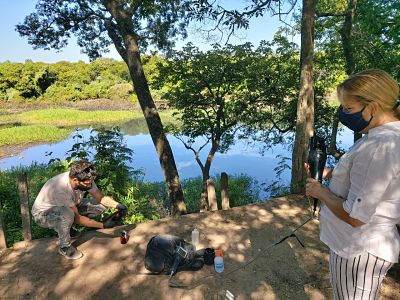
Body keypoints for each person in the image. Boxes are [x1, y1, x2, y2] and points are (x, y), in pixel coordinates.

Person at [306, 69, 400, 300]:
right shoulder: (383, 136)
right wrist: (331, 174)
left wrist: (321, 191)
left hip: (358, 249)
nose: (344, 115)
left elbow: (355, 216)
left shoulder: (379, 146)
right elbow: (368, 182)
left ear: (373, 107)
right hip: (361, 247)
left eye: (349, 109)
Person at [32, 159, 128, 260]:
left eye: (90, 183)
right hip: (43, 215)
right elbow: (77, 218)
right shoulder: (61, 188)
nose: (89, 186)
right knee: (68, 214)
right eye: (87, 185)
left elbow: (101, 198)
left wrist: (118, 206)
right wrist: (103, 225)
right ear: (75, 180)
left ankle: (68, 228)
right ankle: (64, 247)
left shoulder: (86, 177)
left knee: (101, 206)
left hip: (70, 205)